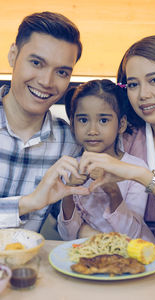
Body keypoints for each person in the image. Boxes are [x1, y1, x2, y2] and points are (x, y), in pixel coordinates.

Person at [78, 35, 155, 247]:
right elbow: (92, 205)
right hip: (137, 260)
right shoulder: (124, 139)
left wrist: (140, 175)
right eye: (133, 84)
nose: (143, 94)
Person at [0, 11, 89, 232]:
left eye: (61, 72)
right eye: (37, 63)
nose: (46, 81)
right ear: (13, 55)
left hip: (26, 266)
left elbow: (70, 229)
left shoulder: (70, 143)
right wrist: (29, 202)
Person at [57, 79, 155, 242]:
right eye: (83, 120)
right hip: (89, 255)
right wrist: (68, 192)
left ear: (121, 124)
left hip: (132, 256)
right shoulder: (71, 168)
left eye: (103, 120)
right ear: (72, 124)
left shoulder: (134, 168)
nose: (92, 130)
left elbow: (133, 234)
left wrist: (112, 189)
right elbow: (67, 235)